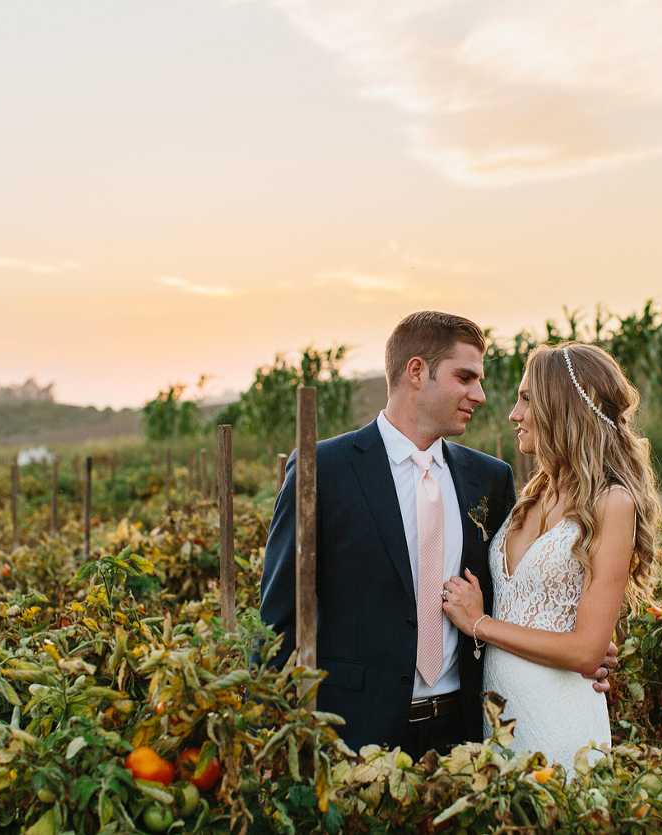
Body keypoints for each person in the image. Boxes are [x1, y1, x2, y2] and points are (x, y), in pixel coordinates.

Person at [260, 312, 614, 759]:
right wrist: (270, 740)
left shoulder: (490, 478)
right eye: (465, 377)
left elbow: (516, 592)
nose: (480, 395)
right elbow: (277, 619)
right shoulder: (324, 469)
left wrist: (586, 645)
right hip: (351, 731)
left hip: (468, 732)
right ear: (416, 372)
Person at [442, 341, 662, 769]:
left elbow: (585, 652)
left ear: (560, 407)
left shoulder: (611, 502)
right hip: (499, 716)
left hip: (560, 719)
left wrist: (480, 624)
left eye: (526, 399)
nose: (514, 414)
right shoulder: (531, 494)